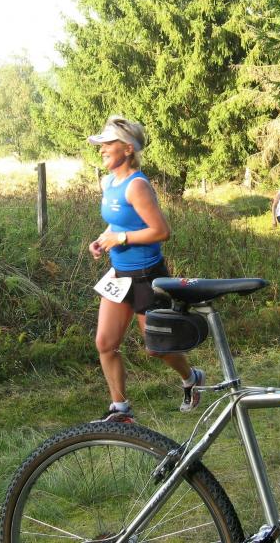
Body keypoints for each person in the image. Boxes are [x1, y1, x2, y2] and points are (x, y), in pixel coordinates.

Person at [87, 115, 205, 423]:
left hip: (147, 277)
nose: (102, 149)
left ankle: (192, 378)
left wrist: (121, 238)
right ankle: (120, 410)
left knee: (156, 348)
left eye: (108, 144)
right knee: (105, 344)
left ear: (128, 149)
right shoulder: (108, 182)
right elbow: (118, 223)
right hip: (119, 276)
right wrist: (102, 239)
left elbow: (161, 231)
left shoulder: (137, 185)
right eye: (101, 144)